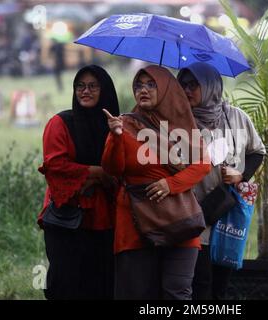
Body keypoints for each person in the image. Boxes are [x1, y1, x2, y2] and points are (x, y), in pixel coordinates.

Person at [101, 65, 211, 300]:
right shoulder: (127, 124)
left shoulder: (182, 124)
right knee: (137, 293)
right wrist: (116, 136)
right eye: (139, 85)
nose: (144, 90)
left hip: (178, 219)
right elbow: (112, 169)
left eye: (152, 85)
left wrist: (170, 184)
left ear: (166, 89)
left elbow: (203, 164)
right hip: (136, 221)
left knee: (177, 293)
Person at [177, 62, 266, 300]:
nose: (186, 90)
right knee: (200, 280)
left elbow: (257, 151)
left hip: (227, 213)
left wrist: (241, 176)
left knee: (221, 282)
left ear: (210, 87)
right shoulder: (177, 121)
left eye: (193, 85)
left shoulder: (236, 117)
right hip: (195, 213)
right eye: (182, 85)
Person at [37, 65, 120, 300]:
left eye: (93, 86)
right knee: (66, 284)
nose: (85, 91)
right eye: (80, 86)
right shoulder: (60, 123)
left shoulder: (115, 125)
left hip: (105, 219)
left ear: (105, 90)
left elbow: (123, 169)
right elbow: (55, 166)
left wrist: (117, 137)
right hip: (67, 219)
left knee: (101, 284)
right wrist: (98, 172)